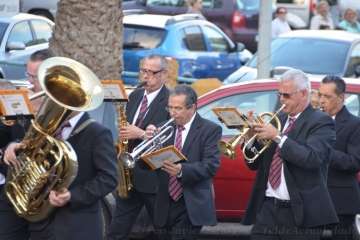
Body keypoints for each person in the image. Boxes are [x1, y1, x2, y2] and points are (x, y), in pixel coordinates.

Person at [242, 69, 338, 239]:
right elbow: (253, 164)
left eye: (286, 96)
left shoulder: (321, 121)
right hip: (268, 208)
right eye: (279, 95)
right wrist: (250, 138)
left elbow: (312, 158)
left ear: (303, 93)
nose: (281, 100)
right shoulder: (277, 120)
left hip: (300, 212)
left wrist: (278, 137)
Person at [146, 85, 222, 240]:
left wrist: (181, 170)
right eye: (170, 108)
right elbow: (146, 165)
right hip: (164, 203)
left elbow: (211, 166)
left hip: (190, 203)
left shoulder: (210, 129)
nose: (173, 113)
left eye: (178, 108)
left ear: (192, 107)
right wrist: (148, 145)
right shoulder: (163, 128)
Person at [107, 54, 170, 240]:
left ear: (164, 74)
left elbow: (171, 138)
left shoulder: (171, 101)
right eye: (143, 71)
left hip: (153, 178)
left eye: (152, 72)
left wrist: (141, 134)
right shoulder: (135, 96)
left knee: (162, 230)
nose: (146, 76)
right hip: (129, 176)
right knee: (116, 231)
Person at [0, 49, 52, 240]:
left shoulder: (63, 106)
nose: (29, 82)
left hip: (45, 195)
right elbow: (5, 136)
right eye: (27, 75)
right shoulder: (22, 99)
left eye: (34, 77)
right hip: (14, 191)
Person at [319, 75, 360, 240]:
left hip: (341, 202)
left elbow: (354, 162)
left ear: (341, 97)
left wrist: (325, 151)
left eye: (327, 97)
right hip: (313, 197)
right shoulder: (314, 120)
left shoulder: (355, 124)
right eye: (319, 95)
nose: (321, 101)